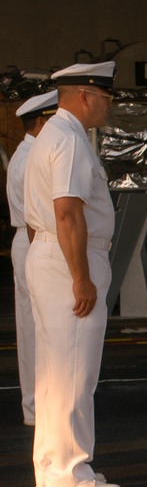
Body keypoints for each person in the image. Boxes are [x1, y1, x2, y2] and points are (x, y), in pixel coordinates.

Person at [23, 61, 122, 487]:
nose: (110, 105)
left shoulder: (54, 135)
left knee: (53, 370)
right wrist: (81, 278)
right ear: (85, 95)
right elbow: (68, 212)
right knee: (75, 369)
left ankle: (50, 464)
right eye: (106, 96)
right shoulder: (68, 140)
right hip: (69, 260)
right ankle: (70, 470)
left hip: (50, 254)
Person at [6, 90, 58, 427]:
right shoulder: (28, 159)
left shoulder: (28, 152)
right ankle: (35, 407)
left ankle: (38, 405)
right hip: (31, 242)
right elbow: (30, 220)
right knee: (34, 329)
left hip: (30, 242)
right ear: (41, 121)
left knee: (37, 327)